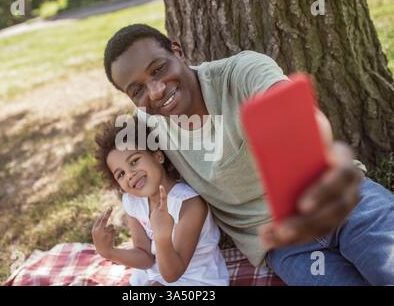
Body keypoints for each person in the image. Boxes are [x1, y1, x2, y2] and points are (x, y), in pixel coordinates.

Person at [100, 24, 394, 285]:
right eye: (137, 90)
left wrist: (328, 152)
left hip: (343, 201)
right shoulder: (147, 128)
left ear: (178, 51)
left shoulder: (241, 73)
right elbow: (124, 165)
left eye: (158, 69)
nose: (155, 91)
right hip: (286, 245)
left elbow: (301, 115)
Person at [92, 116, 229, 286]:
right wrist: (109, 252)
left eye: (134, 161)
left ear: (158, 156)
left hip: (196, 279)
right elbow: (146, 257)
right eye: (121, 174)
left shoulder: (189, 205)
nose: (130, 175)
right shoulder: (134, 202)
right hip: (155, 275)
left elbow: (173, 274)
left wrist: (162, 236)